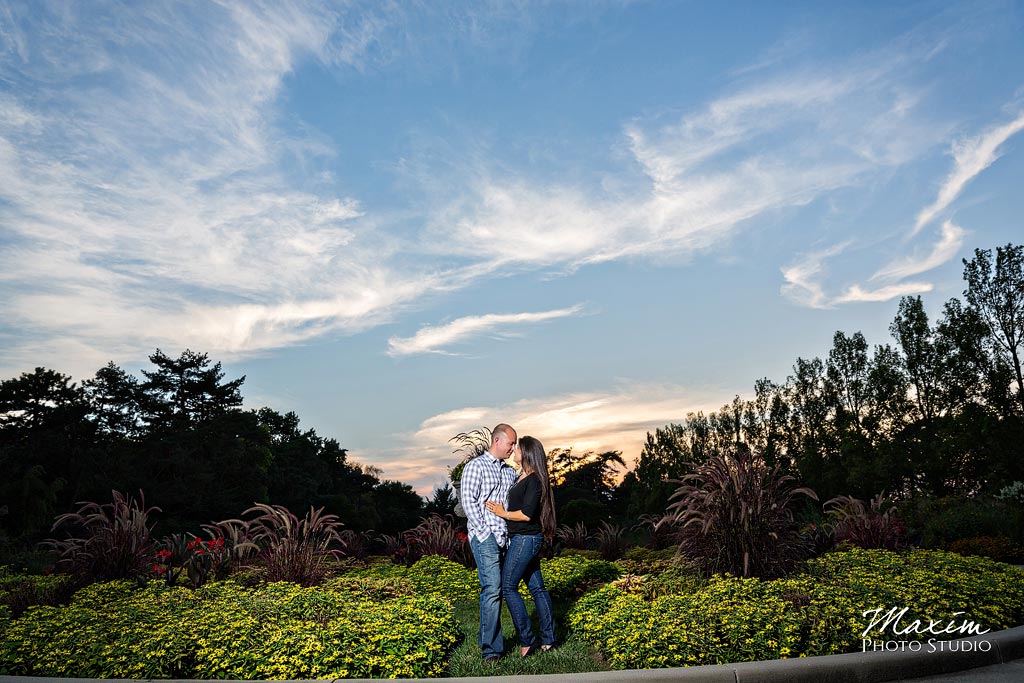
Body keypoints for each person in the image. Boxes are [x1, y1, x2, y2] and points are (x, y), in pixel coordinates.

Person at [485, 435, 557, 657]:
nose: (513, 450)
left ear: (526, 453)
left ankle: (528, 640)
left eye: (517, 448)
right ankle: (549, 640)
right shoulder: (522, 477)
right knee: (537, 588)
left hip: (525, 539)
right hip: (526, 539)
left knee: (508, 587)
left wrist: (502, 513)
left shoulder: (534, 480)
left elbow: (526, 514)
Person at [461, 423, 518, 663]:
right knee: (492, 589)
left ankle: (493, 641)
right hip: (485, 537)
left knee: (499, 591)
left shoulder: (508, 471)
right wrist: (485, 534)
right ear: (497, 441)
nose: (513, 449)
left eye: (515, 445)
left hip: (504, 537)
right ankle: (490, 650)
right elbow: (468, 501)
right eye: (511, 443)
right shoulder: (476, 466)